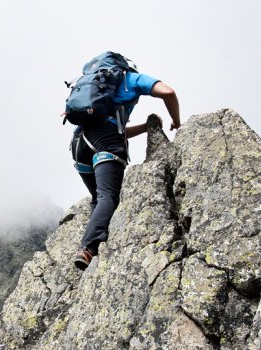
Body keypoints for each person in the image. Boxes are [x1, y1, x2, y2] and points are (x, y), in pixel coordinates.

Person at [71, 57, 181, 270]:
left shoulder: (92, 88)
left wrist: (146, 126)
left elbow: (116, 129)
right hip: (106, 142)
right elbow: (168, 92)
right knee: (108, 196)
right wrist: (176, 121)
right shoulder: (131, 79)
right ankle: (87, 248)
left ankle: (91, 248)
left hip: (79, 144)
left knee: (98, 197)